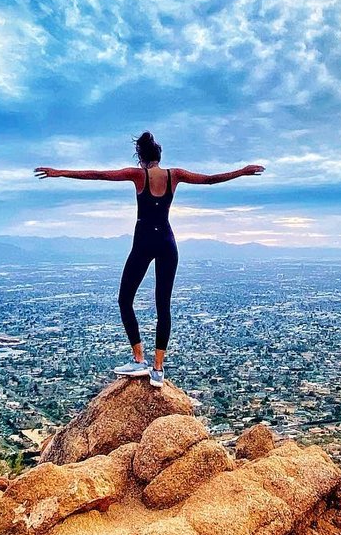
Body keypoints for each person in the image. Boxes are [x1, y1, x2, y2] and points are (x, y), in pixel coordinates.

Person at [35, 132, 265, 384]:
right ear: (159, 156)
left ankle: (138, 359)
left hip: (144, 242)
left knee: (125, 300)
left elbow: (99, 174)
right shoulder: (174, 175)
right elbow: (209, 180)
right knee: (162, 306)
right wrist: (241, 171)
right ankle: (158, 368)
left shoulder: (138, 175)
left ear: (141, 158)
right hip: (167, 242)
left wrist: (60, 172)